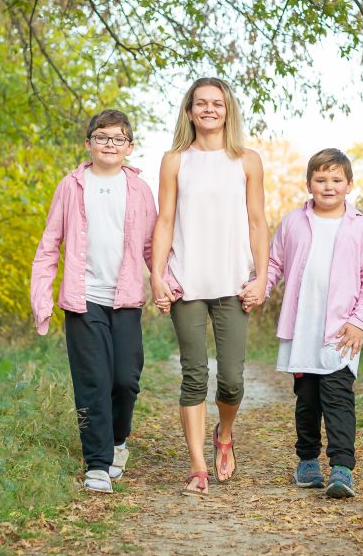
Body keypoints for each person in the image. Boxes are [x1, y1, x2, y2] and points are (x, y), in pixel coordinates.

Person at [150, 77, 269, 497]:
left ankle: (225, 434)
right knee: (194, 374)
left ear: (227, 110)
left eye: (217, 103)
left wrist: (262, 277)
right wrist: (157, 274)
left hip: (234, 284)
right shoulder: (174, 160)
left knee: (233, 379)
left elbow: (258, 222)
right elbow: (164, 221)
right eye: (201, 103)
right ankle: (198, 467)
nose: (209, 109)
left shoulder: (248, 160)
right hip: (187, 284)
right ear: (189, 111)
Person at [30, 109, 157, 494]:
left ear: (129, 147)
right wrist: (42, 299)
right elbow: (49, 246)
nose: (109, 144)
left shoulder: (139, 190)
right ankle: (97, 463)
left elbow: (153, 246)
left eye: (118, 138)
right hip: (83, 301)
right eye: (102, 137)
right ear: (88, 143)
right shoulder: (71, 185)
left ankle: (118, 441)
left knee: (124, 381)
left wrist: (169, 285)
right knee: (93, 382)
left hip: (126, 300)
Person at [260, 148, 363, 499]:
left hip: (342, 332)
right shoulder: (293, 222)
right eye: (320, 179)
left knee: (338, 396)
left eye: (335, 180)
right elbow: (275, 264)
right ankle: (307, 460)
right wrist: (260, 289)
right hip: (303, 330)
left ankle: (342, 468)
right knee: (308, 398)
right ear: (308, 184)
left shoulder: (360, 228)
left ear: (349, 185)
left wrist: (360, 321)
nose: (328, 186)